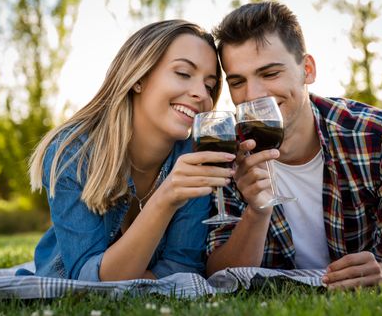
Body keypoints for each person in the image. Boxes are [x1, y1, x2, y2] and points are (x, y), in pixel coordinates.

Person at [206, 2, 382, 289]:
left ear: (307, 69)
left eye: (269, 74)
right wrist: (257, 212)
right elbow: (219, 275)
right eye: (237, 81)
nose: (254, 95)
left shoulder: (377, 137)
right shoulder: (227, 154)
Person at [23, 20, 235, 281]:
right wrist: (165, 198)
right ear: (138, 78)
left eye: (210, 85)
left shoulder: (192, 157)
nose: (201, 94)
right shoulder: (72, 154)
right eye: (183, 73)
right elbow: (89, 280)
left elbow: (183, 267)